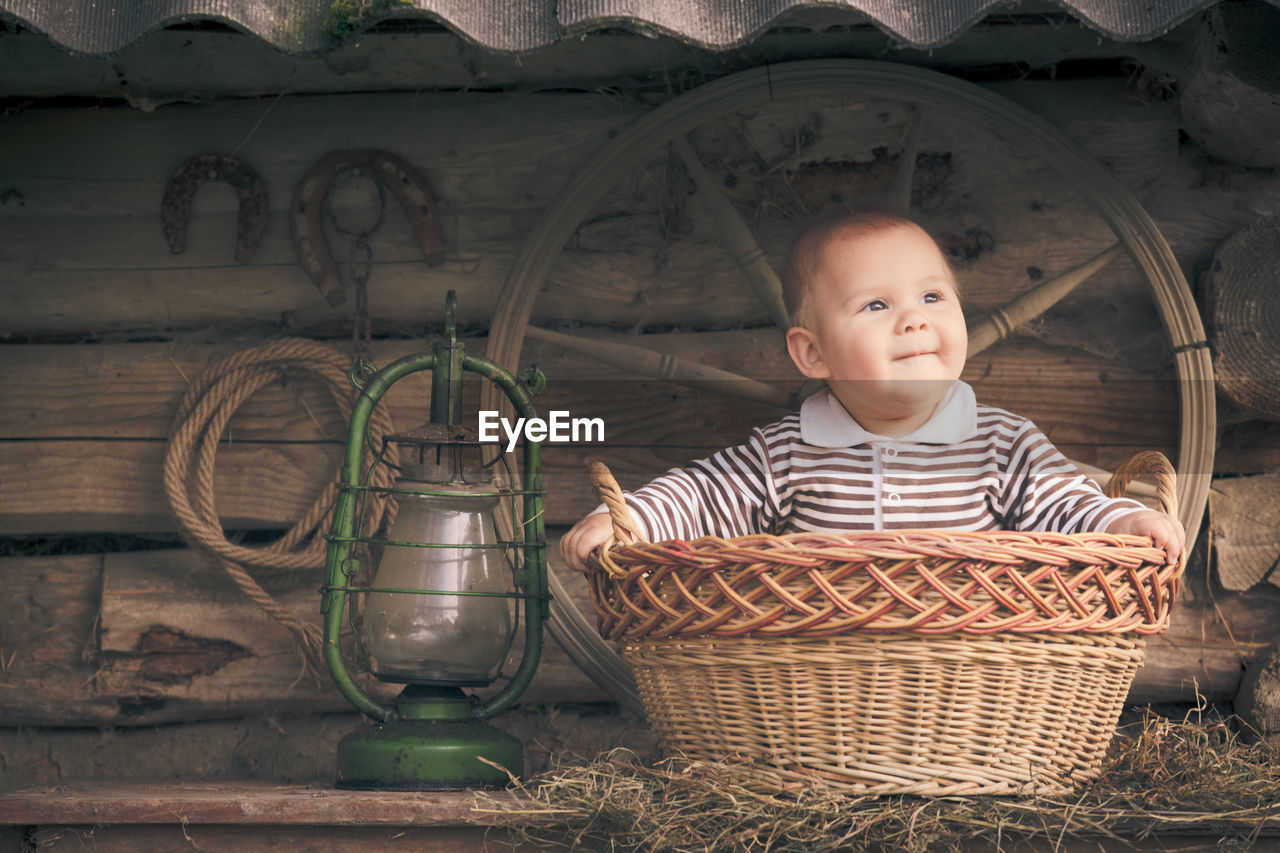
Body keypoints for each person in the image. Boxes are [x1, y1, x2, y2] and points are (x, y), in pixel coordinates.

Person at [560, 211, 1185, 570]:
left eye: (932, 297)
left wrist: (1124, 518)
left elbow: (1065, 504)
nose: (913, 319)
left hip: (970, 666)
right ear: (812, 353)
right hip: (827, 674)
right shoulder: (788, 451)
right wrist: (626, 520)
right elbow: (703, 495)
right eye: (877, 304)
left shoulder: (1001, 443)